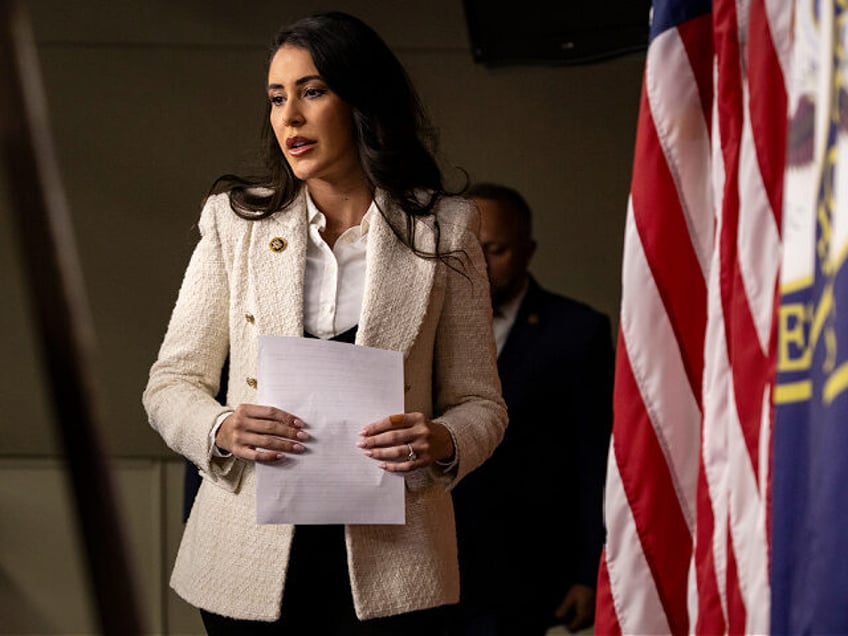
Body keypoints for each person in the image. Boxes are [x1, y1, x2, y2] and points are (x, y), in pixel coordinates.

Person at [142, 12, 507, 635]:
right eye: (277, 97)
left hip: (396, 564)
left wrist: (442, 440)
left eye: (312, 92)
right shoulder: (235, 224)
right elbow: (170, 383)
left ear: (363, 99)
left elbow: (482, 404)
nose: (289, 118)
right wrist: (222, 425)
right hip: (247, 561)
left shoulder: (448, 228)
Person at [448, 183, 614, 636]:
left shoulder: (577, 332)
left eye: (494, 250)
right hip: (431, 563)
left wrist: (588, 571)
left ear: (528, 250)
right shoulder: (422, 325)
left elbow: (594, 459)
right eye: (465, 251)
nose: (477, 267)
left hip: (524, 568)